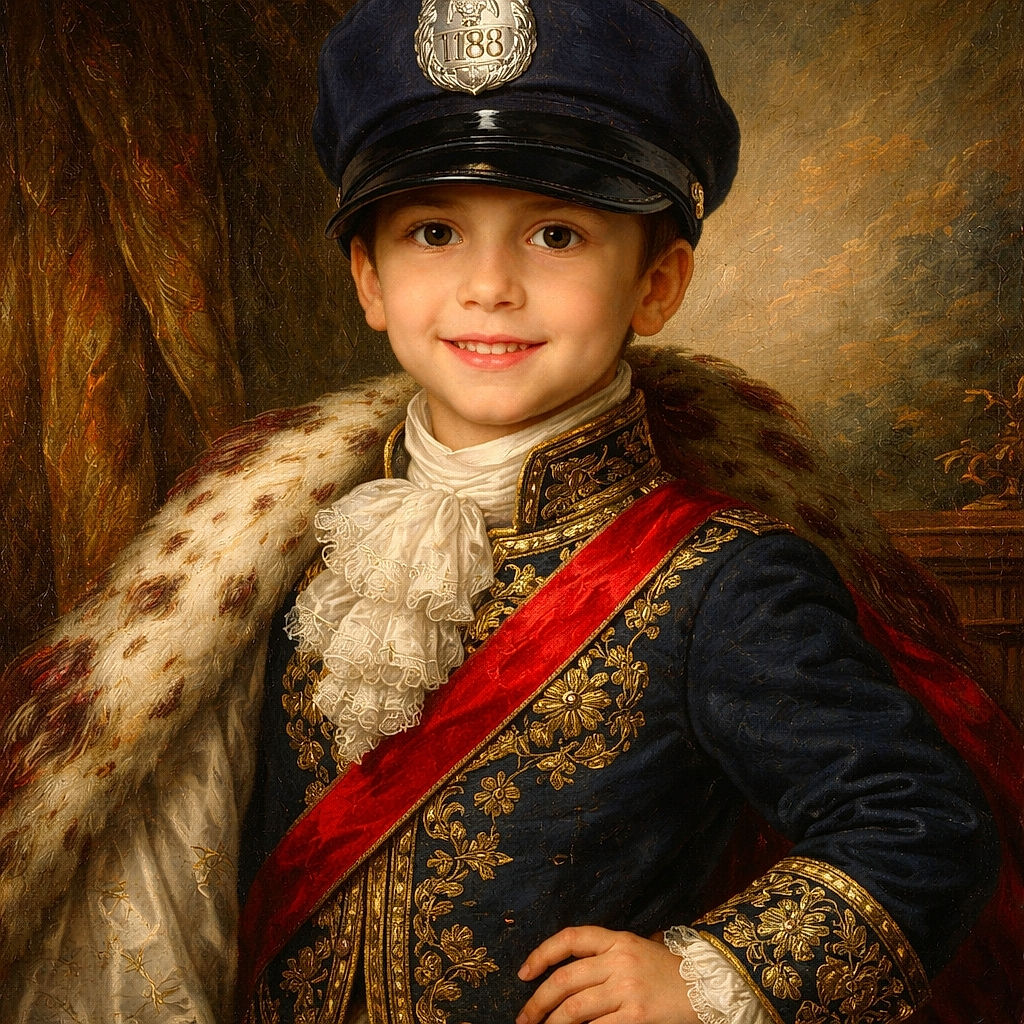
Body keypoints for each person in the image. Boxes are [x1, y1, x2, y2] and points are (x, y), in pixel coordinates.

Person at [0, 2, 1019, 1023]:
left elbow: (925, 824)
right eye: (433, 232)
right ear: (368, 279)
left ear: (656, 285)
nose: (488, 286)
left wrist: (713, 976)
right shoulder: (277, 546)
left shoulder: (727, 577)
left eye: (557, 234)